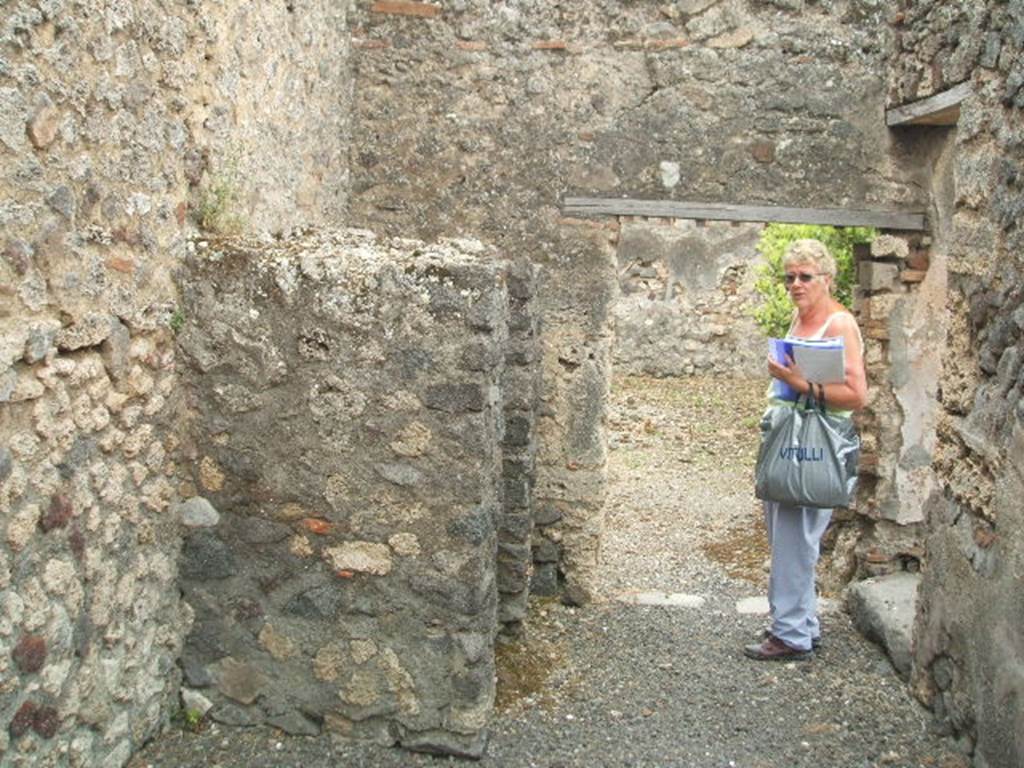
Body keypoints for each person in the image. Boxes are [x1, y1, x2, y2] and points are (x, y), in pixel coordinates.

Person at [744, 238, 867, 661]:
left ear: (826, 279)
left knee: (796, 538)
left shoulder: (839, 325)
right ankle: (802, 623)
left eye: (805, 277)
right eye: (790, 277)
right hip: (789, 438)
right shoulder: (801, 318)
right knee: (790, 537)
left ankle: (789, 634)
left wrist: (796, 382)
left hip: (813, 444)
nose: (796, 284)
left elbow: (856, 393)